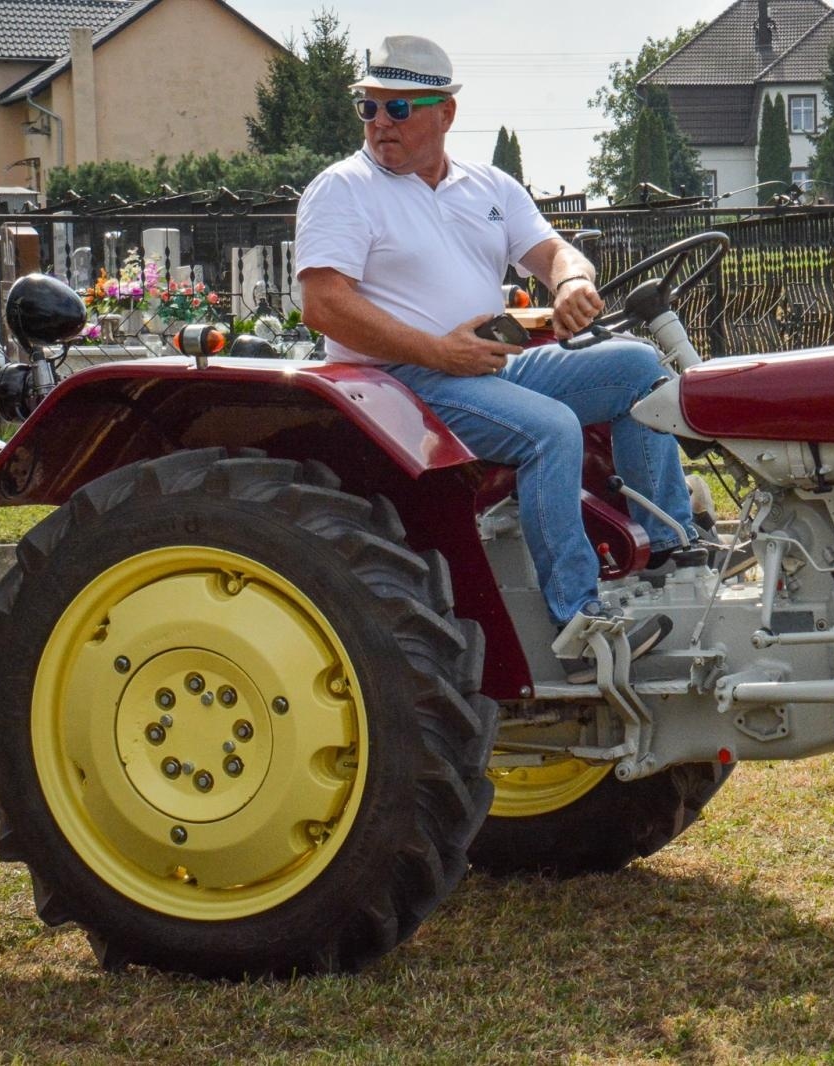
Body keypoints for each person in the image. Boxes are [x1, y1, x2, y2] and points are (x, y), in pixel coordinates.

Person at [295, 35, 706, 682]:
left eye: (397, 108)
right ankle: (577, 623)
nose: (379, 124)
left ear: (444, 113)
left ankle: (672, 556)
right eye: (367, 107)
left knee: (638, 369)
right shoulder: (343, 189)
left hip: (490, 365)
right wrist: (437, 350)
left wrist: (571, 284)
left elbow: (553, 253)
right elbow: (322, 303)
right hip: (398, 383)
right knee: (551, 431)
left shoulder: (487, 186)